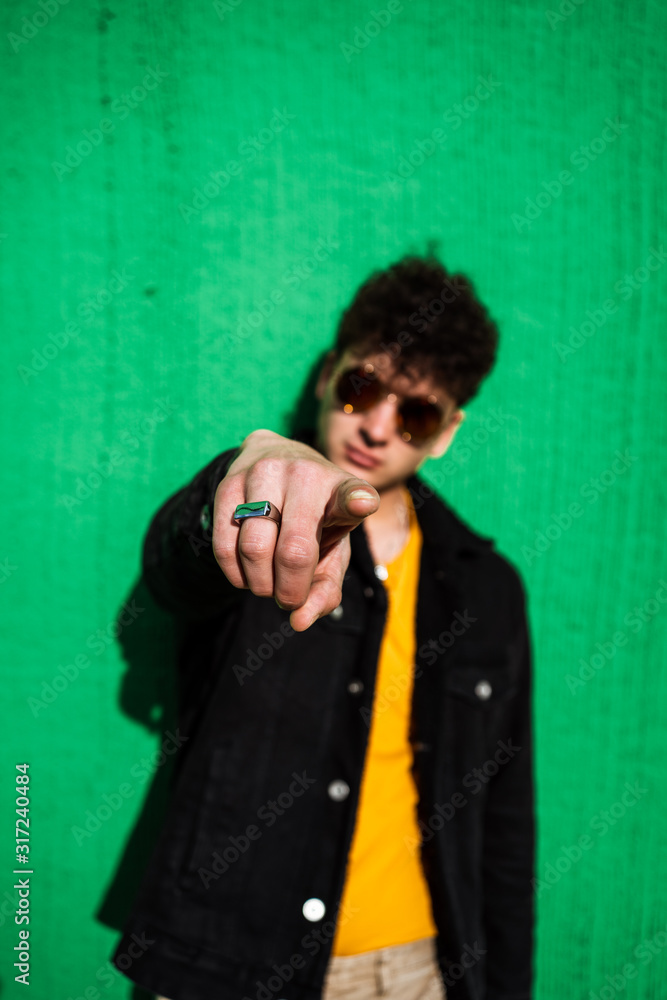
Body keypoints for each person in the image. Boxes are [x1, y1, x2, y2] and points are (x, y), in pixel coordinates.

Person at [110, 253, 536, 1000]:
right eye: (360, 388)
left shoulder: (487, 589)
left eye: (415, 414)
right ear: (325, 375)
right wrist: (238, 479)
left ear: (445, 433)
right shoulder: (263, 526)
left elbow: (504, 818)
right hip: (230, 963)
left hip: (417, 967)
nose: (376, 426)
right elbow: (175, 566)